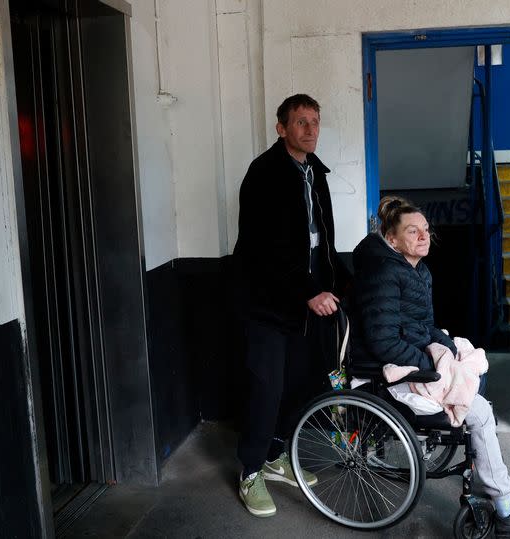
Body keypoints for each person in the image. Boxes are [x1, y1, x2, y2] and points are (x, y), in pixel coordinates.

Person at [351, 196, 510, 537]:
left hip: (411, 357)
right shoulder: (384, 274)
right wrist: (433, 366)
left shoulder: (419, 271)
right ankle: (506, 508)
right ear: (392, 240)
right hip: (384, 372)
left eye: (426, 230)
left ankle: (488, 474)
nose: (424, 237)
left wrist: (446, 348)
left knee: (470, 359)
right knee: (478, 412)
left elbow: (423, 325)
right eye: (412, 231)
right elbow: (382, 343)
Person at [232, 94, 350, 518]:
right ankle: (249, 471)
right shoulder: (263, 174)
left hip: (305, 301)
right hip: (266, 302)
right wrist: (307, 291)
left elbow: (324, 240)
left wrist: (335, 286)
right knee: (267, 388)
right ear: (281, 128)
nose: (311, 129)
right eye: (301, 122)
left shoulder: (314, 172)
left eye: (315, 121)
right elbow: (266, 251)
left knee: (300, 383)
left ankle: (274, 454)